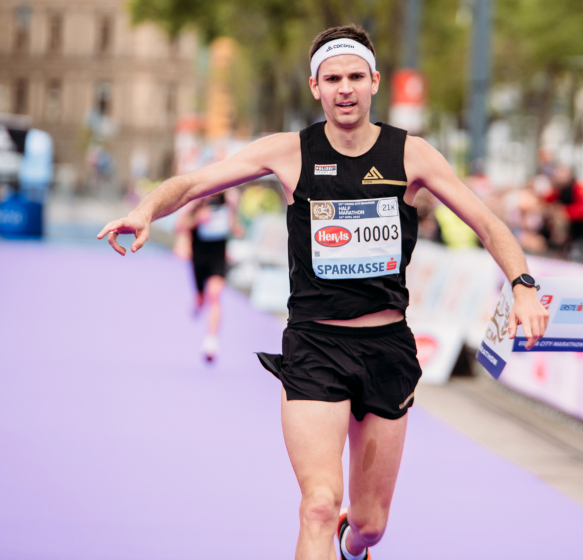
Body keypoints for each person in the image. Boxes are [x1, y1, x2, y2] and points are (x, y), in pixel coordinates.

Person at [97, 24, 549, 560]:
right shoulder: (289, 152)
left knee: (370, 523)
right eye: (332, 78)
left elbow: (488, 223)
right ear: (315, 87)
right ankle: (327, 527)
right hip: (314, 347)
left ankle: (352, 545)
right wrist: (145, 209)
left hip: (387, 349)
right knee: (316, 502)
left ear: (374, 81)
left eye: (355, 76)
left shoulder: (412, 155)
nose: (345, 88)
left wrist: (522, 286)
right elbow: (198, 181)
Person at [176, 192, 236, 361]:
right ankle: (198, 300)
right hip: (199, 259)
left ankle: (211, 342)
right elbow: (178, 227)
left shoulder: (227, 202)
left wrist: (233, 222)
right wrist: (196, 220)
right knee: (203, 297)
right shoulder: (195, 202)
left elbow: (236, 228)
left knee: (215, 294)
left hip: (218, 258)